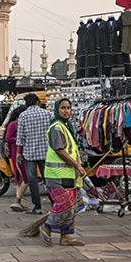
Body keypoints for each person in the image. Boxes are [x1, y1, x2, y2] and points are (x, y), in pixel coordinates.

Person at [40, 98, 85, 247]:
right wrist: (77, 165)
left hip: (69, 175)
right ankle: (47, 226)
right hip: (56, 175)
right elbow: (59, 150)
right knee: (64, 204)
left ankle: (65, 236)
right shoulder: (57, 128)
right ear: (57, 110)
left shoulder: (67, 127)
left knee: (71, 207)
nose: (66, 111)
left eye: (68, 108)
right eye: (63, 108)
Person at [15, 93, 50, 215]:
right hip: (46, 153)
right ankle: (54, 204)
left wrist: (18, 153)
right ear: (37, 102)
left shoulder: (23, 116)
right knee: (48, 179)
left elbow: (20, 137)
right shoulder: (48, 114)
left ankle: (37, 206)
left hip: (29, 154)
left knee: (32, 180)